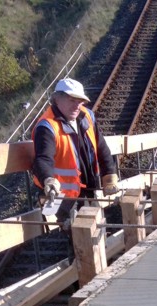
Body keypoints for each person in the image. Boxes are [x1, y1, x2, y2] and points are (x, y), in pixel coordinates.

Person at [32, 78, 119, 226]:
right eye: (72, 100)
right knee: (78, 233)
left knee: (97, 226)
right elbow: (43, 158)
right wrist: (48, 179)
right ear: (57, 100)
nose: (77, 106)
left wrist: (109, 173)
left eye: (80, 101)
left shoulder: (87, 116)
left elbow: (101, 147)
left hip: (87, 186)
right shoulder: (47, 127)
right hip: (63, 196)